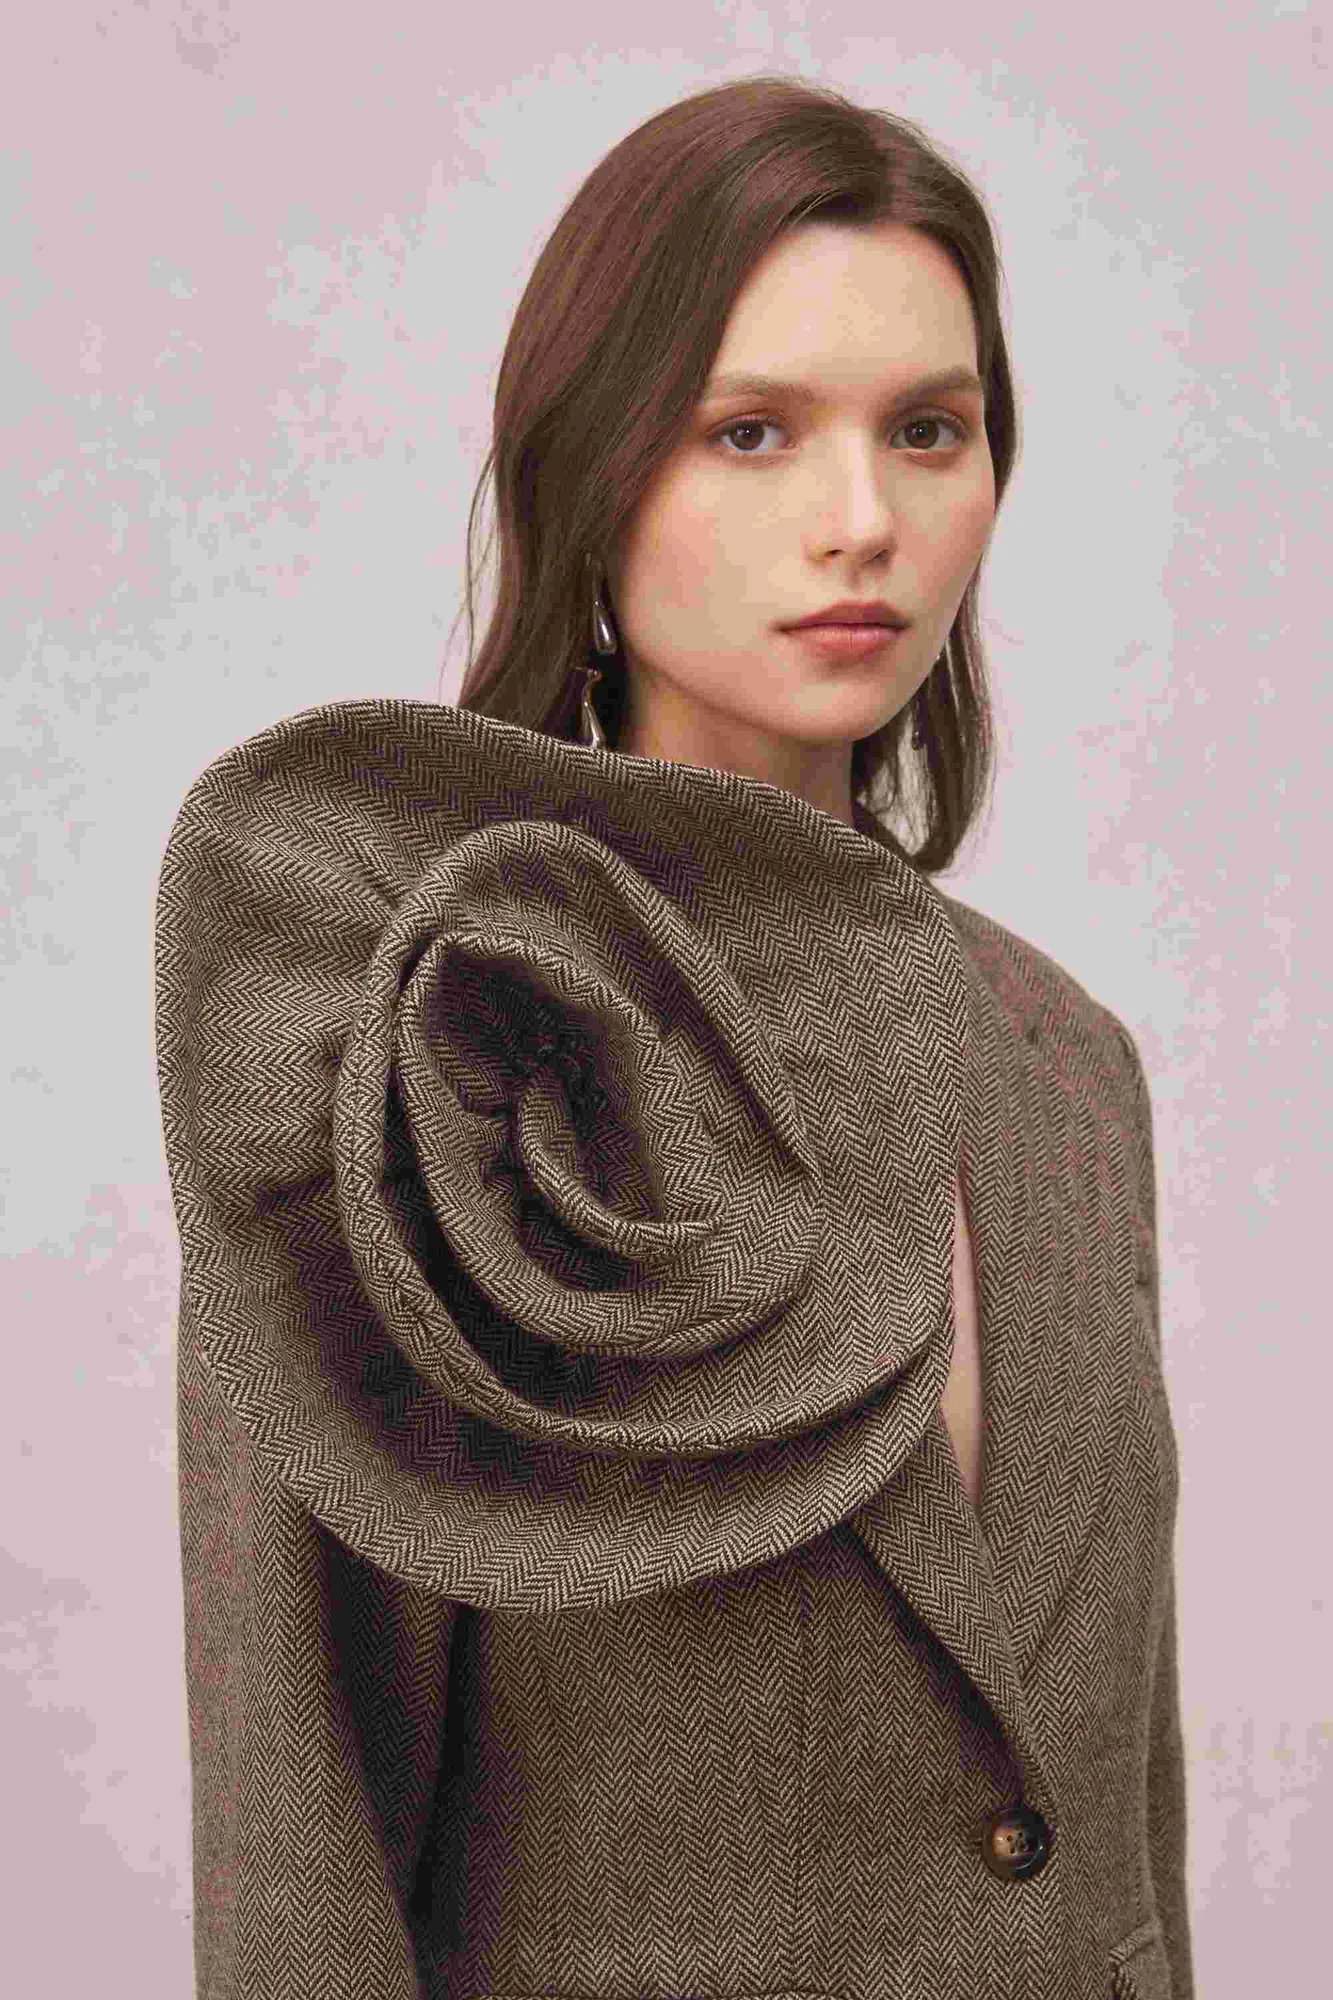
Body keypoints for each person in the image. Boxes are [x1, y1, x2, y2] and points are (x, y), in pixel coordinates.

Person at [156, 74, 1193, 2000]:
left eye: (930, 430)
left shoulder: (1068, 1062)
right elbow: (304, 1841)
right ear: (595, 472)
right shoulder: (415, 1048)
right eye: (753, 432)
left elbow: (1111, 1811)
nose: (864, 523)